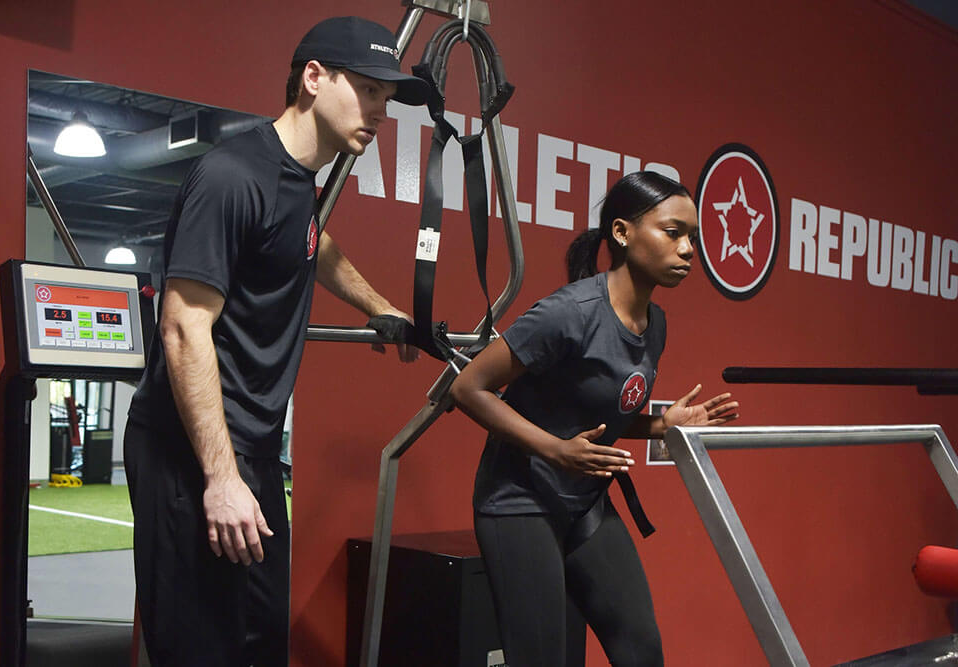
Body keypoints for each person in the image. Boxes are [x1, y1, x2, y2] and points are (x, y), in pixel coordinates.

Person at [123, 16, 430, 667]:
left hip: (253, 452)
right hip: (190, 451)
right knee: (201, 650)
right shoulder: (232, 175)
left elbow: (313, 242)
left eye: (386, 97)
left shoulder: (295, 184)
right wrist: (220, 478)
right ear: (314, 78)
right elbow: (182, 328)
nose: (380, 112)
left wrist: (379, 306)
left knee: (261, 644)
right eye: (369, 90)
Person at [450, 171, 740, 666]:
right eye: (673, 233)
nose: (688, 250)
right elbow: (468, 388)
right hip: (520, 501)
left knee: (641, 652)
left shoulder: (655, 323)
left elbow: (599, 415)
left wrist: (661, 425)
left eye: (692, 237)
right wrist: (556, 450)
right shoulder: (569, 313)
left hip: (585, 502)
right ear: (622, 233)